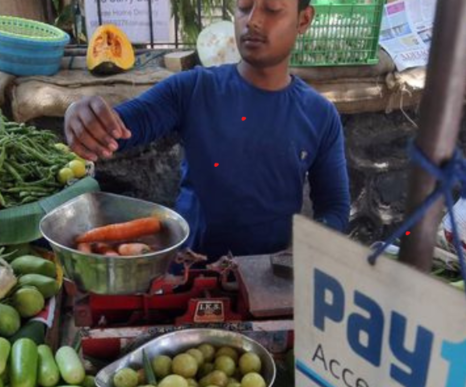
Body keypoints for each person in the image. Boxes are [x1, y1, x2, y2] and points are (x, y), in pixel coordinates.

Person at [65, 0, 351, 260]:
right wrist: (82, 116)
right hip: (190, 274)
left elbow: (334, 207)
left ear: (303, 20)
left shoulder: (320, 115)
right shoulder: (192, 89)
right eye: (244, 6)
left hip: (269, 278)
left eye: (272, 9)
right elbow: (119, 126)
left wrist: (308, 247)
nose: (252, 20)